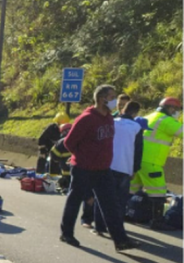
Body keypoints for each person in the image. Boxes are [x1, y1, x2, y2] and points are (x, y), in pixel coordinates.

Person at [59, 84, 139, 252]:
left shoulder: (109, 117)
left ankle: (121, 240)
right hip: (83, 168)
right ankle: (67, 233)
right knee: (74, 201)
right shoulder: (86, 118)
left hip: (103, 169)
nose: (115, 101)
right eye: (112, 97)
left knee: (111, 205)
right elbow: (69, 142)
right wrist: (83, 156)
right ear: (103, 99)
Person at [130, 97, 183, 229]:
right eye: (177, 110)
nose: (178, 113)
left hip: (136, 160)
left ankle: (126, 213)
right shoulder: (166, 120)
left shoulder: (149, 116)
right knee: (158, 192)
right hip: (151, 162)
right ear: (171, 109)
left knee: (131, 189)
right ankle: (157, 222)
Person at [93, 100, 143, 237]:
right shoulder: (136, 127)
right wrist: (135, 169)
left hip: (106, 165)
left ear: (123, 109)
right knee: (120, 201)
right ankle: (116, 228)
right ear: (135, 113)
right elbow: (138, 152)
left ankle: (99, 227)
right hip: (125, 167)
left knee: (102, 197)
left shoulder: (112, 122)